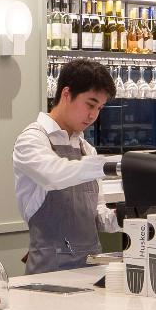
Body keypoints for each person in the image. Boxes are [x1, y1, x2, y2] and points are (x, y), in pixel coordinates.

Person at [13, 58, 119, 274]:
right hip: (48, 275)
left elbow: (98, 217)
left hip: (92, 270)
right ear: (66, 94)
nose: (93, 115)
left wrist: (130, 213)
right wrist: (111, 165)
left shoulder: (87, 149)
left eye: (99, 108)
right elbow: (54, 174)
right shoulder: (32, 139)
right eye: (90, 104)